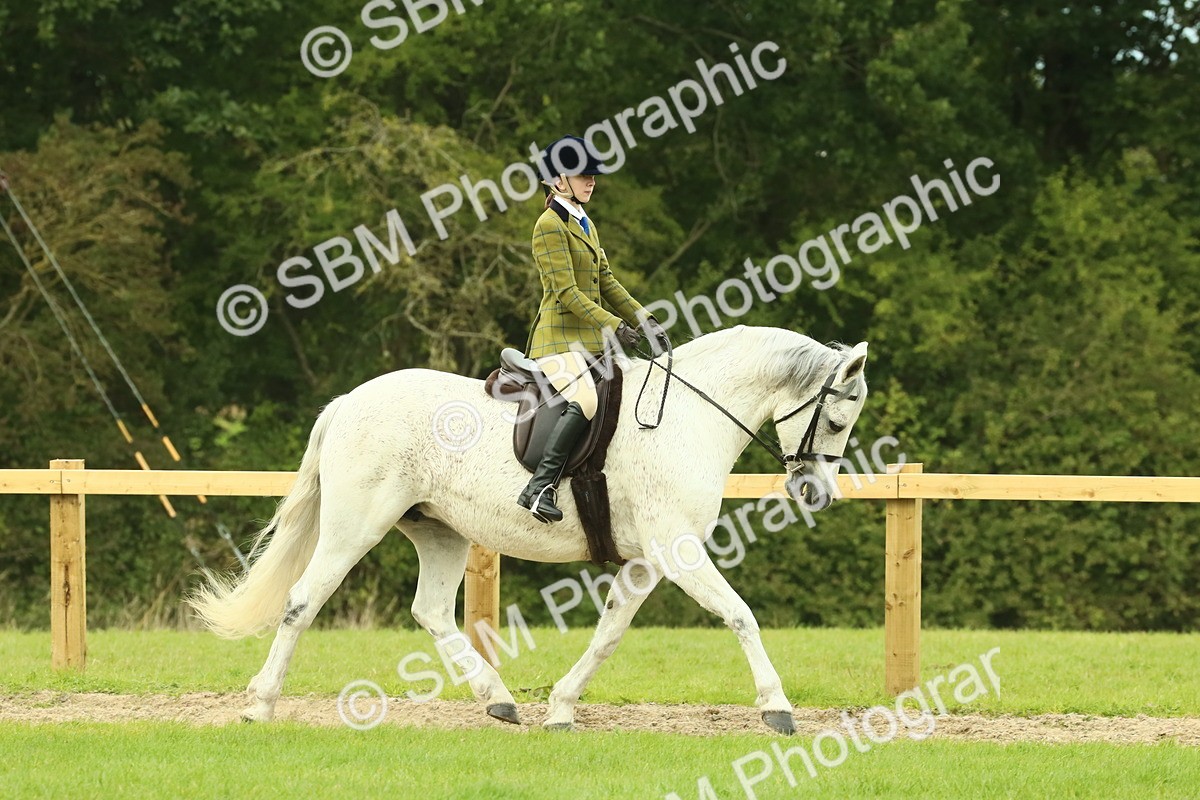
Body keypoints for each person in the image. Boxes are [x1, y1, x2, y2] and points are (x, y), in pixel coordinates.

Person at [516, 134, 668, 523]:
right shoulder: (548, 225)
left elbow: (606, 280)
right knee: (586, 401)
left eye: (593, 175)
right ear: (558, 180)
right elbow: (566, 292)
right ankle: (539, 487)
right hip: (556, 341)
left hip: (587, 342)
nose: (592, 181)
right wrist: (614, 325)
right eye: (584, 175)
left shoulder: (585, 223)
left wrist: (642, 318)